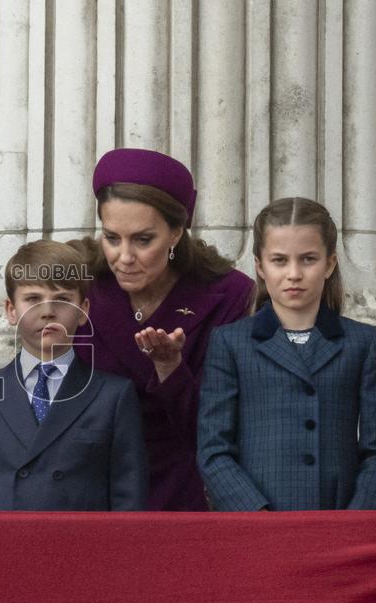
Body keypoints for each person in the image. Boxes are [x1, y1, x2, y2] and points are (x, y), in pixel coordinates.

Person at [69, 148, 255, 510]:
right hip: (94, 494)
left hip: (190, 493)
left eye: (142, 240)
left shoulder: (231, 295)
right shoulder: (81, 285)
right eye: (111, 237)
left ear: (175, 233)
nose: (124, 257)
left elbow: (227, 423)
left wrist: (171, 369)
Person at [197, 198, 376, 510]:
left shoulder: (363, 342)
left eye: (308, 259)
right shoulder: (230, 343)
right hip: (255, 526)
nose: (294, 273)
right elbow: (214, 448)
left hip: (338, 525)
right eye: (279, 260)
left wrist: (355, 522)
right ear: (260, 265)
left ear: (329, 263)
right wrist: (256, 514)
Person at [0, 240, 147, 510]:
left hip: (83, 549)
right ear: (11, 311)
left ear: (83, 310)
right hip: (1, 548)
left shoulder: (113, 395)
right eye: (33, 299)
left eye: (62, 299)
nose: (48, 311)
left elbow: (129, 498)